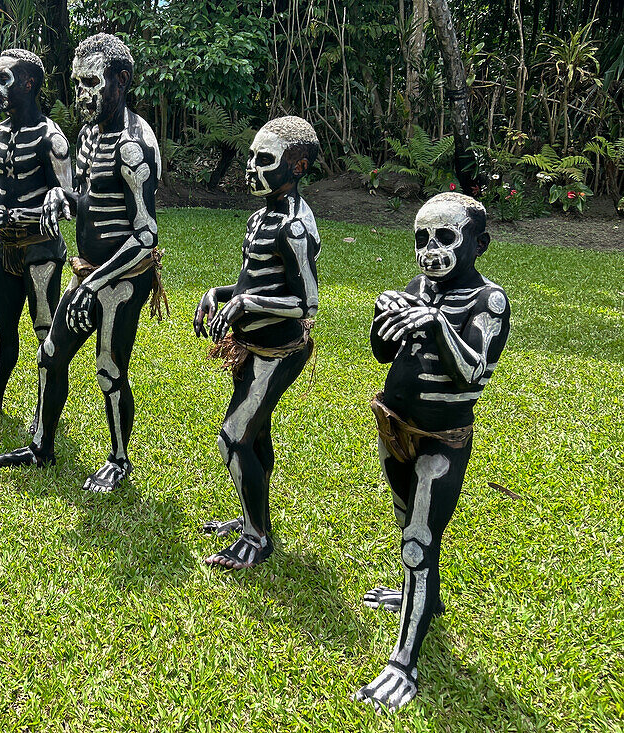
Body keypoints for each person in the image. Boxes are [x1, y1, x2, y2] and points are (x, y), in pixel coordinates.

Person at [354, 192, 510, 711]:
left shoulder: (489, 302)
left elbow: (473, 372)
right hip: (394, 428)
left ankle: (403, 663)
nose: (429, 250)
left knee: (419, 543)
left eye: (444, 237)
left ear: (478, 244)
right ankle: (426, 598)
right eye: (421, 237)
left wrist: (433, 323)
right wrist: (383, 318)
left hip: (441, 443)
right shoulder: (418, 288)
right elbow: (384, 352)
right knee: (408, 532)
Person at [0, 33, 166, 493]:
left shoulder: (133, 145)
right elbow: (85, 201)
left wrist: (93, 285)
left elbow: (145, 237)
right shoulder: (88, 135)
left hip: (124, 277)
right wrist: (58, 196)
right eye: (77, 82)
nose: (82, 93)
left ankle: (120, 461)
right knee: (51, 355)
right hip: (90, 270)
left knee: (109, 367)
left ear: (120, 81)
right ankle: (41, 446)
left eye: (92, 82)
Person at [193, 116, 321, 569]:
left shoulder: (294, 227)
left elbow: (306, 303)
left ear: (297, 167)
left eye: (264, 160)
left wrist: (245, 303)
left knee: (233, 438)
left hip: (277, 351)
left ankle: (256, 537)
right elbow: (255, 281)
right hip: (252, 347)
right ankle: (256, 515)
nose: (251, 166)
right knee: (254, 430)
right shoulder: (260, 215)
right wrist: (222, 295)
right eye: (251, 156)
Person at [0, 49, 72, 421]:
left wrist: (5, 214)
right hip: (6, 249)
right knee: (2, 329)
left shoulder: (52, 140)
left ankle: (43, 411)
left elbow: (67, 204)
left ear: (29, 83)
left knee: (45, 334)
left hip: (41, 252)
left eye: (2, 80)